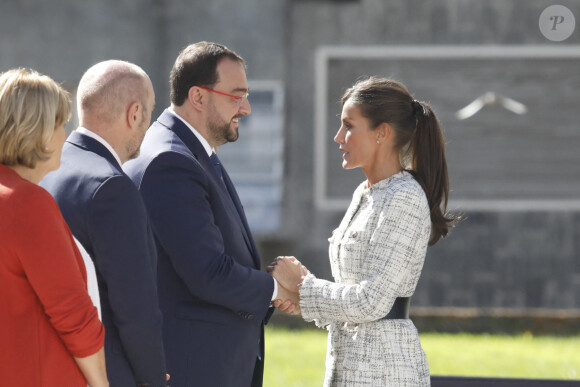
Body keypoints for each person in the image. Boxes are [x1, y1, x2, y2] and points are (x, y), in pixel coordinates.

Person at [269, 77, 460, 386]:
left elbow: (371, 302)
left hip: (385, 371)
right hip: (348, 366)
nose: (338, 137)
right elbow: (352, 295)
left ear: (381, 133)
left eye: (348, 126)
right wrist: (296, 294)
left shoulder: (405, 198)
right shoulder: (364, 192)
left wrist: (303, 286)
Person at [123, 41, 293, 387]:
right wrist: (279, 287)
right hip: (192, 368)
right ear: (198, 97)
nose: (245, 108)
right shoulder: (171, 162)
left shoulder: (188, 152)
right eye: (236, 95)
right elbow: (208, 273)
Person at [40, 60, 168, 387]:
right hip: (107, 372)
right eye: (150, 112)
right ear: (135, 113)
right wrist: (154, 379)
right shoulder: (112, 188)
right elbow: (135, 311)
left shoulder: (52, 167)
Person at [0, 68, 108, 386]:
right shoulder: (27, 204)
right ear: (39, 132)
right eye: (61, 124)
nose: (66, 135)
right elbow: (73, 315)